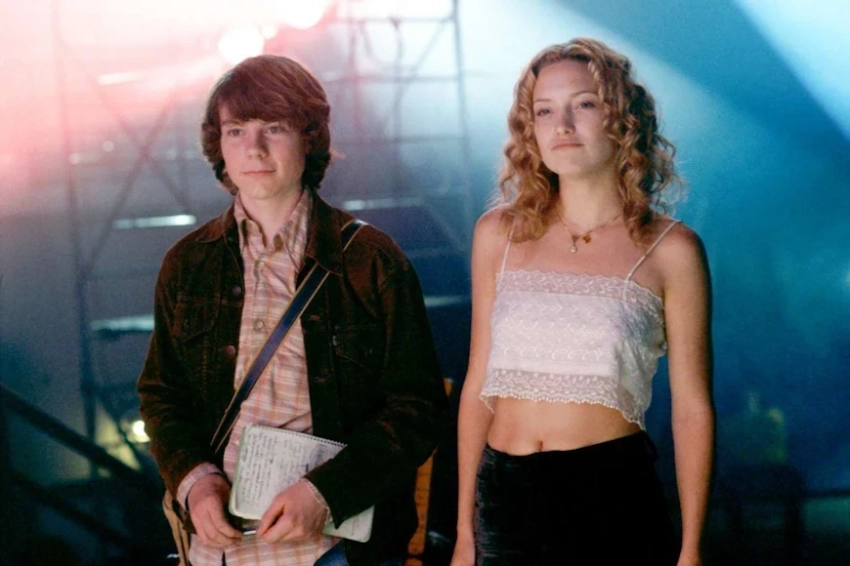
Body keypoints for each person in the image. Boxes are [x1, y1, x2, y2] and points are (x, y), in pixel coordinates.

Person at [137, 54, 449, 566]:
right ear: (218, 144)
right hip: (221, 551)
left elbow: (418, 408)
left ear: (309, 137)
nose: (254, 148)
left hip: (337, 550)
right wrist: (195, 481)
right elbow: (161, 396)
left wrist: (326, 492)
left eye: (273, 128)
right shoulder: (187, 263)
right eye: (236, 131)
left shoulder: (370, 259)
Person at [450, 38, 714, 565]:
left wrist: (691, 550)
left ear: (624, 119)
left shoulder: (672, 250)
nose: (562, 125)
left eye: (584, 104)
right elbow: (479, 383)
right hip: (504, 503)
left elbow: (692, 409)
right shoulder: (498, 234)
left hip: (610, 498)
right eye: (544, 111)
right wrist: (463, 533)